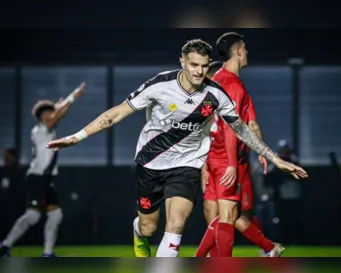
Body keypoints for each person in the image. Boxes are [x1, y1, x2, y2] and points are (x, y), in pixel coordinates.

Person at [46, 39, 308, 258]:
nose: (199, 71)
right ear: (181, 62)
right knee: (149, 227)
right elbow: (114, 115)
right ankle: (139, 234)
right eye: (193, 65)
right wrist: (77, 137)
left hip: (186, 166)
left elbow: (241, 129)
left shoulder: (216, 95)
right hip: (150, 164)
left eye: (204, 66)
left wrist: (274, 158)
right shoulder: (159, 85)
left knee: (176, 224)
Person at [196, 32, 282, 258]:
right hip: (227, 159)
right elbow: (229, 127)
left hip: (216, 157)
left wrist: (260, 149)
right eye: (244, 47)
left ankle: (206, 261)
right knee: (226, 216)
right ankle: (225, 268)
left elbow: (249, 123)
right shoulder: (234, 86)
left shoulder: (219, 82)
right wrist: (230, 164)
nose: (247, 52)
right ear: (237, 51)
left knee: (222, 215)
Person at [0, 83, 86, 257]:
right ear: (42, 116)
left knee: (55, 215)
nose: (52, 114)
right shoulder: (39, 130)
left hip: (46, 179)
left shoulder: (48, 130)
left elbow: (59, 114)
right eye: (49, 112)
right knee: (32, 217)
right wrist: (73, 96)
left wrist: (62, 104)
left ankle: (47, 252)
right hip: (37, 178)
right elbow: (57, 116)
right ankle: (5, 245)